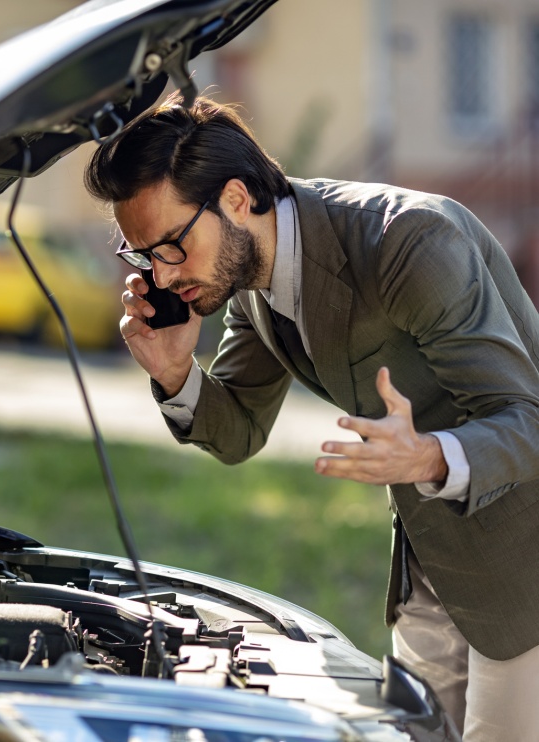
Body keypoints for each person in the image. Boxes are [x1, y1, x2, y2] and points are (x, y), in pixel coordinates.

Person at [84, 94, 539, 741]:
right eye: (144, 257)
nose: (161, 274)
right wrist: (175, 371)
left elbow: (527, 417)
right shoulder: (254, 283)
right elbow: (239, 428)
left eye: (171, 246)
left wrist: (432, 455)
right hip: (432, 566)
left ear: (238, 199)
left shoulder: (411, 242)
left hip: (524, 571)